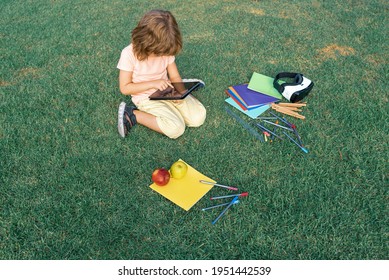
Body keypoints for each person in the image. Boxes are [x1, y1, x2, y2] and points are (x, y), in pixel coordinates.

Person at [117, 10, 206, 139]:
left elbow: (174, 77)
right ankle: (132, 114)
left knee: (198, 117)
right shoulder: (128, 54)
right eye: (159, 53)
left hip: (167, 91)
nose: (163, 55)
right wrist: (153, 83)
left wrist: (180, 93)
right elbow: (125, 88)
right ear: (146, 43)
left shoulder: (165, 48)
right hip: (146, 98)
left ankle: (187, 86)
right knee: (176, 128)